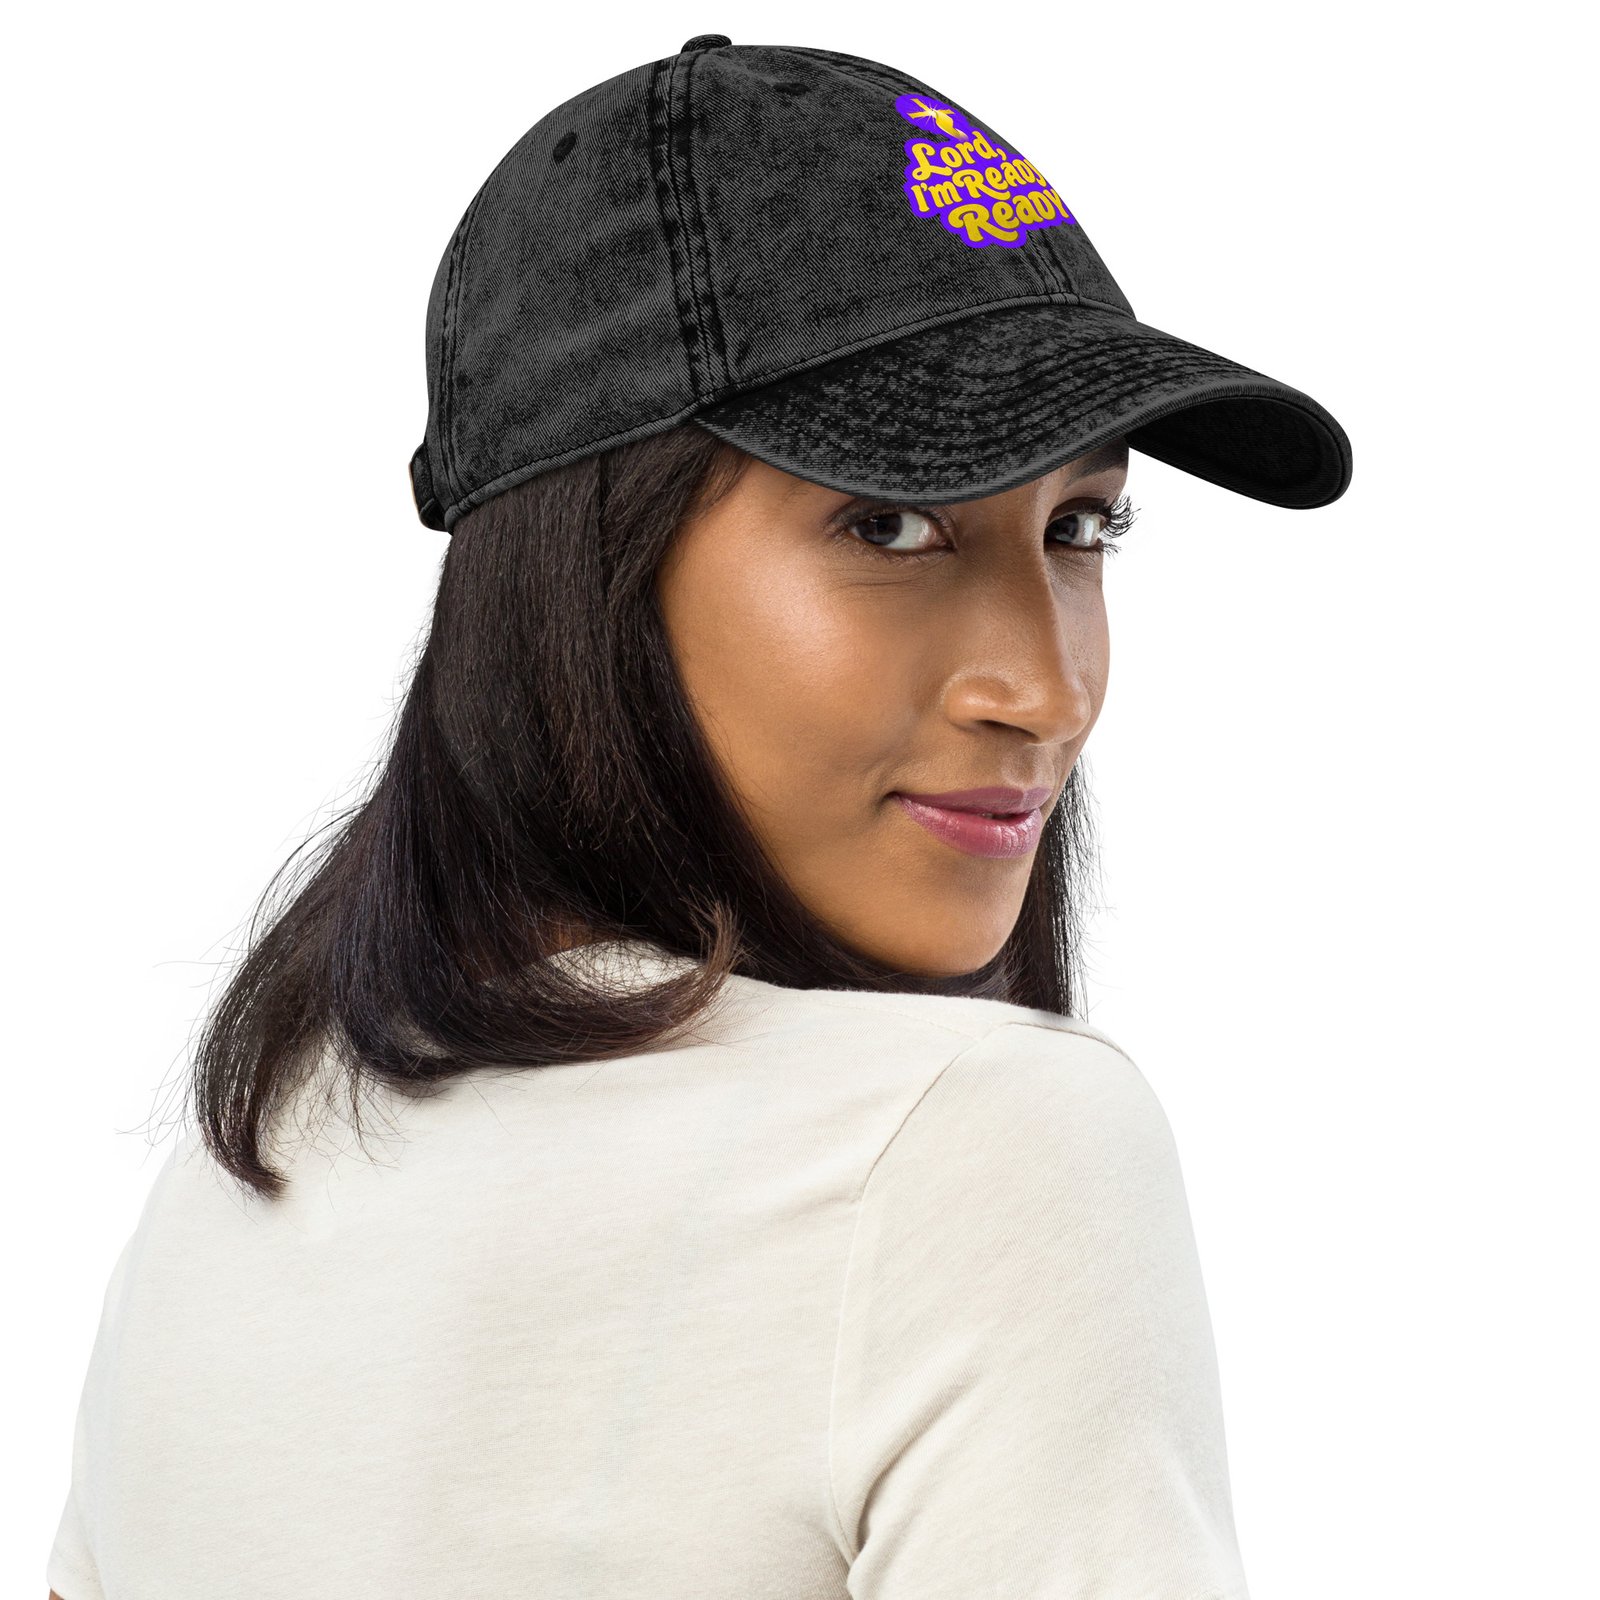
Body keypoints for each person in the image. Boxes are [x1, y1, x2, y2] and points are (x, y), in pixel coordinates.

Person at [44, 33, 1351, 1600]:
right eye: (890, 524)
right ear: (589, 571)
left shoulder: (238, 1182)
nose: (1046, 687)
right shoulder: (970, 1144)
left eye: (1081, 526)